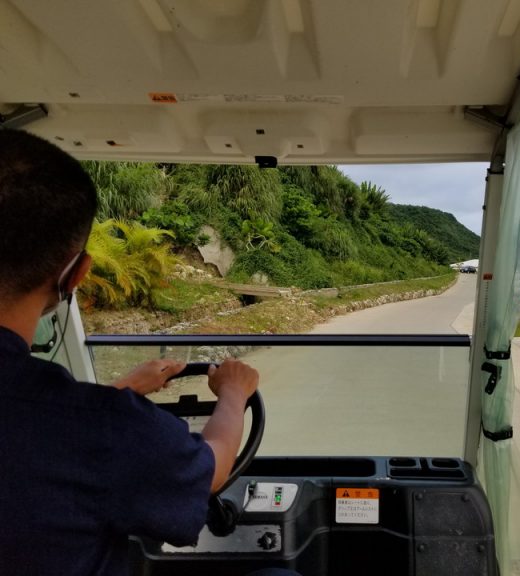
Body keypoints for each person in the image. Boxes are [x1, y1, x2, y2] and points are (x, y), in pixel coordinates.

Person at [0, 130, 298, 576]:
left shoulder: (89, 419)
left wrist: (120, 389)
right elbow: (210, 470)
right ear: (76, 274)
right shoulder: (101, 426)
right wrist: (234, 393)